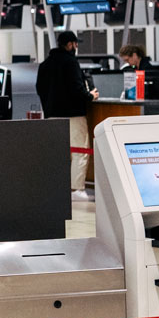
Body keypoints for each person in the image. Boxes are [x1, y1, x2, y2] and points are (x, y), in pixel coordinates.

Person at [36, 30, 97, 196]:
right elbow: (77, 88)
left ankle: (56, 188)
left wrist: (49, 108)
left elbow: (39, 89)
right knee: (79, 151)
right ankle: (76, 189)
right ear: (70, 44)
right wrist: (90, 96)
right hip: (73, 114)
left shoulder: (45, 64)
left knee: (58, 152)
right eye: (75, 44)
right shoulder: (71, 62)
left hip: (52, 115)